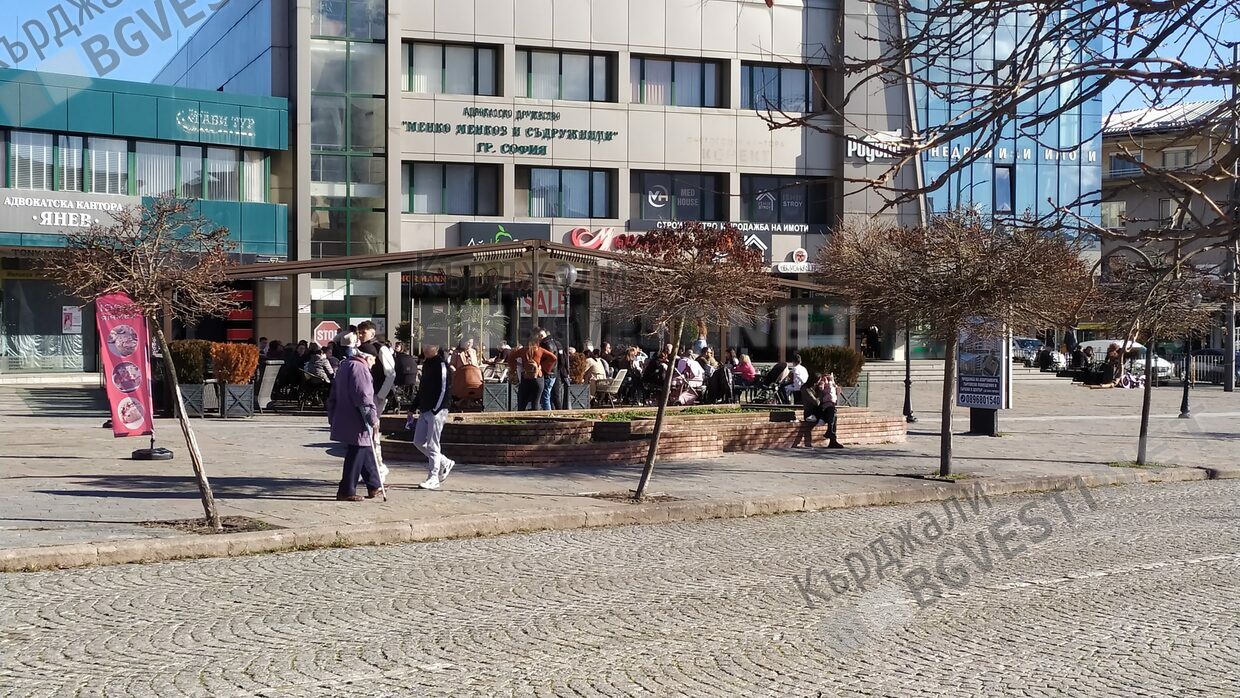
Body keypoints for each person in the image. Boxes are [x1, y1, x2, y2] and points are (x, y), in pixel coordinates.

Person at [326, 351, 383, 501]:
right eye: (374, 360)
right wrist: (372, 417)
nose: (374, 364)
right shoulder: (360, 368)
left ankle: (374, 484)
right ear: (368, 357)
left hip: (345, 413)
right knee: (358, 450)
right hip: (356, 417)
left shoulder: (345, 365)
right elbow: (363, 395)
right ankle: (346, 490)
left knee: (365, 449)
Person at [408, 343, 454, 490]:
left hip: (437, 410)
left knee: (433, 444)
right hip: (424, 408)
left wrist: (436, 408)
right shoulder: (426, 364)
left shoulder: (441, 365)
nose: (425, 349)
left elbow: (444, 388)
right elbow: (422, 388)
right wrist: (413, 407)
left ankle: (433, 477)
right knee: (418, 441)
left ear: (436, 348)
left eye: (429, 346)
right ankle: (444, 461)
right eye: (424, 346)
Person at [508, 337, 555, 411]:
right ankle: (534, 417)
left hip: (526, 377)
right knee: (535, 403)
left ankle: (520, 417)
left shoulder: (523, 350)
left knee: (522, 403)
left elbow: (511, 357)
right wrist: (544, 368)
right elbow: (553, 358)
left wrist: (514, 368)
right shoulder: (540, 350)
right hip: (538, 378)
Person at [804, 373, 844, 448]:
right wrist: (821, 392)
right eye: (818, 381)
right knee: (832, 413)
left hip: (820, 411)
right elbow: (816, 402)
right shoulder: (806, 389)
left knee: (833, 413)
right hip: (811, 413)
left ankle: (831, 436)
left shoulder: (817, 386)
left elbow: (833, 394)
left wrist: (835, 387)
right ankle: (832, 437)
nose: (819, 382)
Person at [537, 328, 566, 410]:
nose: (540, 337)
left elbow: (557, 359)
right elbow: (561, 360)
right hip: (554, 372)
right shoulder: (555, 343)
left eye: (541, 335)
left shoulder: (545, 344)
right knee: (553, 395)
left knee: (547, 395)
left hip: (551, 372)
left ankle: (550, 413)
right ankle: (555, 411)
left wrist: (547, 369)